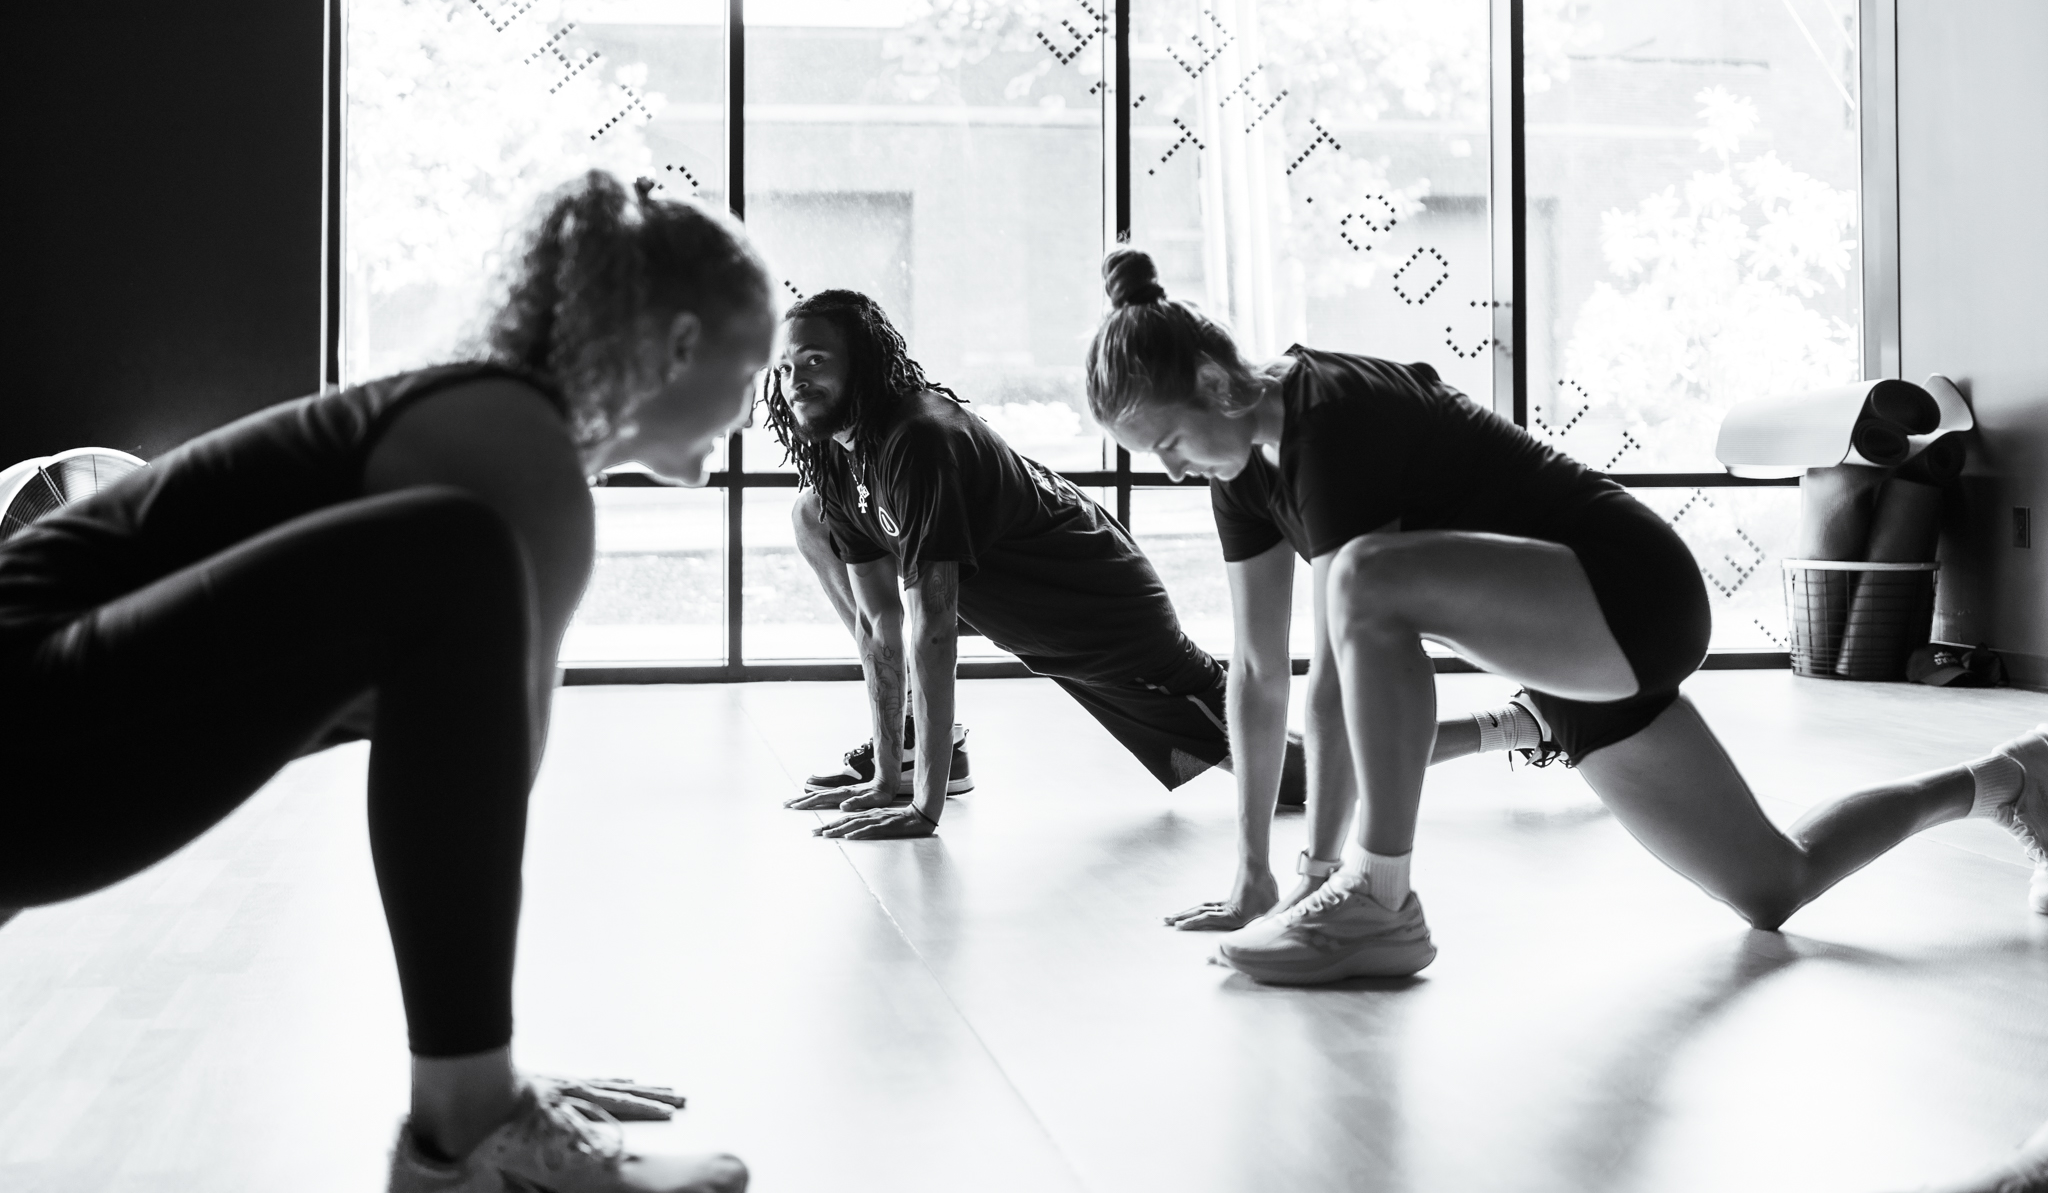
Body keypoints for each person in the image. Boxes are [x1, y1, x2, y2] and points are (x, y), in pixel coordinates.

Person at [0, 172, 765, 1192]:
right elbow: (487, 803)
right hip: (23, 710)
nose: (753, 411)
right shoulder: (511, 446)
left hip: (36, 750)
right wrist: (480, 1083)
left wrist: (490, 1064)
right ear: (680, 344)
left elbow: (469, 792)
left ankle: (474, 1105)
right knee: (455, 555)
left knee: (453, 561)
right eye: (751, 371)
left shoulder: (494, 429)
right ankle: (469, 1123)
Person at [1084, 244, 2048, 985]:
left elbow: (1337, 667)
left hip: (1629, 594)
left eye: (1168, 442)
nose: (1168, 470)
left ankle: (1382, 894)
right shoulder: (1240, 472)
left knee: (1362, 581)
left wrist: (1320, 873)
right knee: (1774, 886)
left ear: (1216, 384)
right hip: (1564, 653)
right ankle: (2008, 779)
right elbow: (1258, 674)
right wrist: (1252, 873)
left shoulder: (1333, 415)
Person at [763, 289, 1319, 852]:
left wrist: (923, 810)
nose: (795, 382)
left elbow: (933, 630)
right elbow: (877, 623)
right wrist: (887, 781)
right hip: (1020, 617)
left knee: (1290, 776)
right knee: (810, 514)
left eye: (814, 360)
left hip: (1102, 617)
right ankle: (910, 744)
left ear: (861, 360)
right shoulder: (838, 449)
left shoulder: (920, 439)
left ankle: (1372, 740)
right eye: (784, 368)